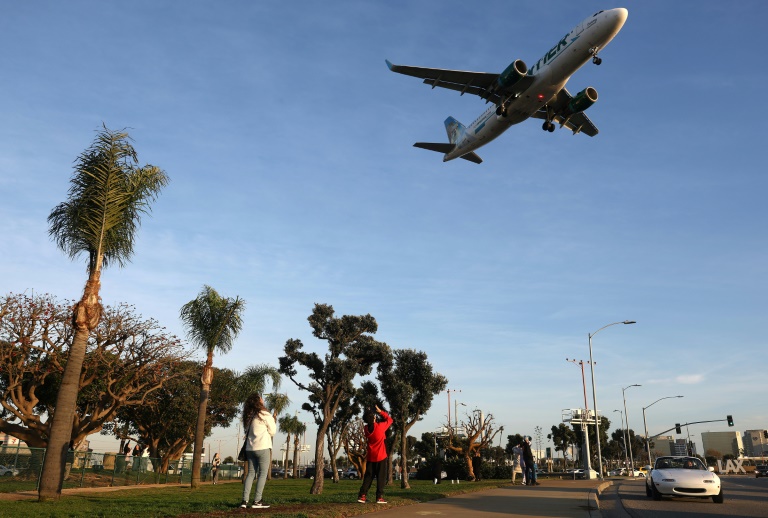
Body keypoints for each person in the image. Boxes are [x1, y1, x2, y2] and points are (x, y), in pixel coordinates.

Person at [240, 393, 276, 509]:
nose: (263, 399)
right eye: (261, 398)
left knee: (250, 474)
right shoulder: (265, 414)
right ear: (259, 401)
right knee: (262, 474)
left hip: (250, 449)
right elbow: (273, 431)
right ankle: (257, 501)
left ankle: (244, 501)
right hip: (263, 447)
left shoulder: (249, 416)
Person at [357, 405, 393, 504]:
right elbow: (390, 420)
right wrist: (381, 411)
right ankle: (379, 497)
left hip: (371, 456)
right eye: (374, 416)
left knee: (368, 477)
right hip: (381, 456)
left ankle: (362, 496)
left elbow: (371, 424)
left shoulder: (366, 429)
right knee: (381, 478)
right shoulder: (380, 427)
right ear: (374, 418)